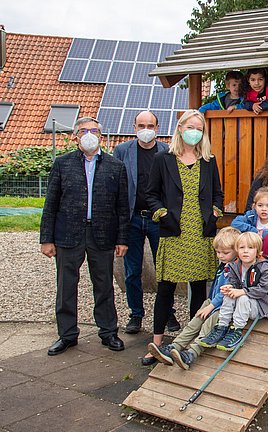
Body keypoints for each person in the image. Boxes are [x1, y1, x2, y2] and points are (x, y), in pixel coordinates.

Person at [40, 116, 129, 356]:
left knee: (103, 285)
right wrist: (46, 238)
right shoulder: (62, 164)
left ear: (101, 135)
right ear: (75, 136)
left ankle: (108, 332)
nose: (89, 134)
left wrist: (122, 239)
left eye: (94, 131)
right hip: (68, 234)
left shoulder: (115, 166)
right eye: (83, 131)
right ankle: (67, 334)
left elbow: (122, 206)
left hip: (102, 234)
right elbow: (51, 203)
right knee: (66, 285)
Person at [144, 109, 223, 363]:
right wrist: (163, 215)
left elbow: (217, 194)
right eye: (190, 127)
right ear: (180, 128)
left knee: (199, 290)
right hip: (174, 233)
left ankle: (187, 344)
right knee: (165, 289)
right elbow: (151, 195)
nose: (194, 132)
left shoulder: (208, 160)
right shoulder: (163, 159)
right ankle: (155, 345)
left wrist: (214, 214)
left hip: (200, 235)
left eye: (199, 128)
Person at [113, 110, 178, 335]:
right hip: (132, 219)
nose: (146, 130)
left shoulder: (168, 152)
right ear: (134, 128)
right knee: (132, 270)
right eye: (141, 125)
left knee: (165, 268)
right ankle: (136, 313)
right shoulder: (122, 151)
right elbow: (117, 187)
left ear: (158, 128)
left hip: (157, 220)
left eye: (150, 125)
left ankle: (168, 312)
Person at [146, 227, 240, 369]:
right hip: (214, 303)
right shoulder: (224, 265)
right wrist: (209, 303)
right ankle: (175, 347)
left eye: (225, 253)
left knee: (207, 326)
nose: (220, 256)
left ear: (237, 251)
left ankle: (191, 353)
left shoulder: (235, 269)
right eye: (218, 252)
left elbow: (226, 292)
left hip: (225, 308)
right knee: (195, 321)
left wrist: (211, 306)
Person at [199, 232, 268, 351]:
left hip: (261, 306)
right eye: (242, 248)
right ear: (237, 250)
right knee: (229, 294)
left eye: (250, 248)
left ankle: (237, 330)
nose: (245, 251)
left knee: (242, 297)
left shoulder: (264, 268)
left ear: (258, 251)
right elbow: (234, 282)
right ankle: (222, 326)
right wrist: (229, 287)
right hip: (243, 305)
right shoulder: (236, 265)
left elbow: (262, 290)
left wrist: (242, 291)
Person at [231, 187, 268, 264]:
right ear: (255, 206)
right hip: (251, 254)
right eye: (260, 205)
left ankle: (262, 264)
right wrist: (255, 232)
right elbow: (235, 223)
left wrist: (266, 234)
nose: (264, 209)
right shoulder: (251, 216)